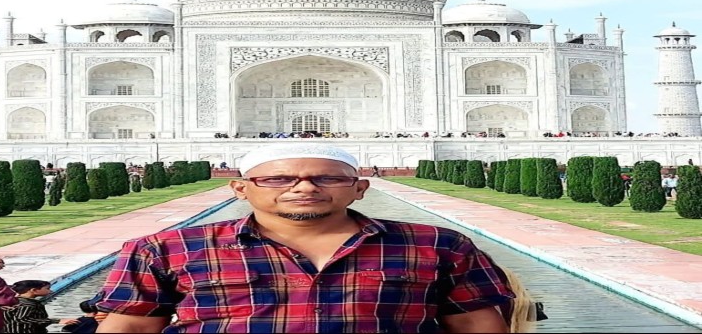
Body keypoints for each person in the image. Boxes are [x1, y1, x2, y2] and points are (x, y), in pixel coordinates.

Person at [95, 143, 514, 333]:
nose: (304, 187)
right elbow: (130, 326)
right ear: (240, 188)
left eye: (327, 178)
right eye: (278, 179)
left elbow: (476, 325)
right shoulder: (166, 249)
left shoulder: (437, 245)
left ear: (360, 188)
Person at [3, 280, 77, 333]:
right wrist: (57, 321)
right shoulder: (27, 304)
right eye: (47, 289)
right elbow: (22, 319)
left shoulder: (16, 301)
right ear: (34, 290)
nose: (51, 291)